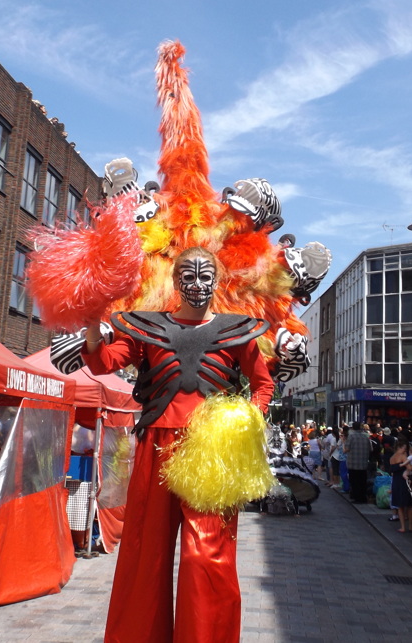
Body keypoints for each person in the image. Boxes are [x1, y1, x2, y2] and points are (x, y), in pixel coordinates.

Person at [83, 247, 275, 643]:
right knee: (143, 553)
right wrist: (90, 327)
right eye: (188, 276)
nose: (197, 284)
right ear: (175, 282)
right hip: (156, 444)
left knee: (207, 556)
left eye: (206, 276)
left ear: (217, 281)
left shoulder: (238, 331)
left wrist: (243, 425)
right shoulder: (148, 329)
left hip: (212, 454)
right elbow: (105, 361)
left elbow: (263, 385)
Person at [344, 421, 372, 504]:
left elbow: (347, 449)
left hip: (353, 463)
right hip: (363, 463)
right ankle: (363, 497)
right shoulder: (365, 437)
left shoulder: (351, 437)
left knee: (354, 481)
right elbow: (371, 449)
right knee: (362, 481)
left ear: (352, 428)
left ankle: (357, 497)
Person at [389, 437, 412, 532]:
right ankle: (410, 526)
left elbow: (392, 470)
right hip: (404, 482)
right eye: (404, 448)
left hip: (396, 481)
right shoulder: (403, 457)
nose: (405, 451)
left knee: (400, 506)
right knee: (410, 505)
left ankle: (402, 527)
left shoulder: (392, 458)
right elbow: (410, 468)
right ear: (400, 447)